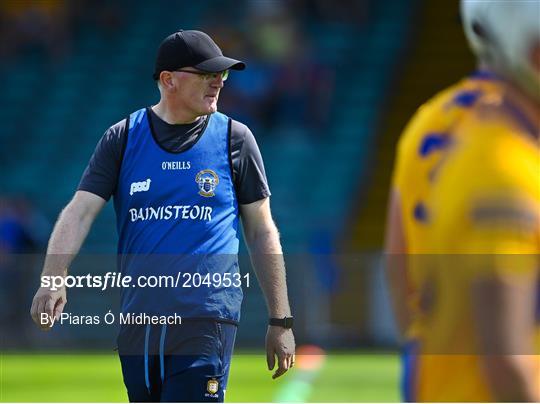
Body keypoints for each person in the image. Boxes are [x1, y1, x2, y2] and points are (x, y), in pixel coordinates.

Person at [30, 29, 295, 402]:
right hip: (139, 320)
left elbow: (262, 231)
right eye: (206, 74)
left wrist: (280, 320)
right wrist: (53, 277)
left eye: (222, 74)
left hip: (207, 316)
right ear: (168, 80)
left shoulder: (236, 139)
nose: (218, 81)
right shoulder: (122, 138)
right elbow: (79, 212)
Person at [385, 1, 539, 401]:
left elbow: (399, 266)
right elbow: (506, 356)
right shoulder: (506, 154)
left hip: (432, 362)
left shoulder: (426, 121)